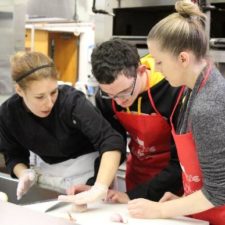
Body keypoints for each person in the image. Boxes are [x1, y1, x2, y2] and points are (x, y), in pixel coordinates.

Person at [127, 1, 225, 224]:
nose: (156, 69)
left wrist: (162, 211)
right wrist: (182, 199)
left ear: (183, 58)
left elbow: (219, 192)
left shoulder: (209, 104)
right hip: (202, 214)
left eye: (159, 61)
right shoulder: (192, 90)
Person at [65, 38, 183, 204]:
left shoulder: (173, 90)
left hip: (175, 180)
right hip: (137, 173)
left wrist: (134, 196)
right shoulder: (106, 97)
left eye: (125, 92)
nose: (119, 101)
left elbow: (181, 161)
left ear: (141, 70)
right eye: (110, 95)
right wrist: (97, 185)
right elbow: (112, 144)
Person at [0, 51, 126, 202]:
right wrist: (24, 173)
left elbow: (110, 140)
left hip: (90, 174)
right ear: (19, 91)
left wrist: (99, 187)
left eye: (53, 92)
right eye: (39, 97)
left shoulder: (71, 102)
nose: (49, 103)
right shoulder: (9, 113)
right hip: (48, 175)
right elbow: (12, 153)